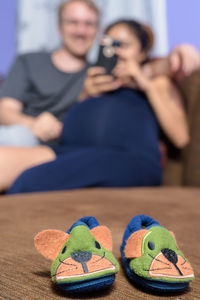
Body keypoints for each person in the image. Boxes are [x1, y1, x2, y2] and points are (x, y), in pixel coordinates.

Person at [2, 18, 191, 194]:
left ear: (142, 53)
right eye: (108, 45)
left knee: (30, 180)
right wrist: (86, 95)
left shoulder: (155, 83)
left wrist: (142, 82)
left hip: (128, 159)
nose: (114, 52)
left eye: (122, 45)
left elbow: (180, 138)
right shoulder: (93, 81)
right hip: (72, 152)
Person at [0, 0, 100, 146]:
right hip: (25, 140)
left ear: (98, 30)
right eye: (73, 22)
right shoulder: (29, 61)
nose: (81, 31)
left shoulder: (98, 76)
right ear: (59, 28)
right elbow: (4, 111)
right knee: (18, 136)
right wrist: (33, 124)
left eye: (89, 24)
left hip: (68, 148)